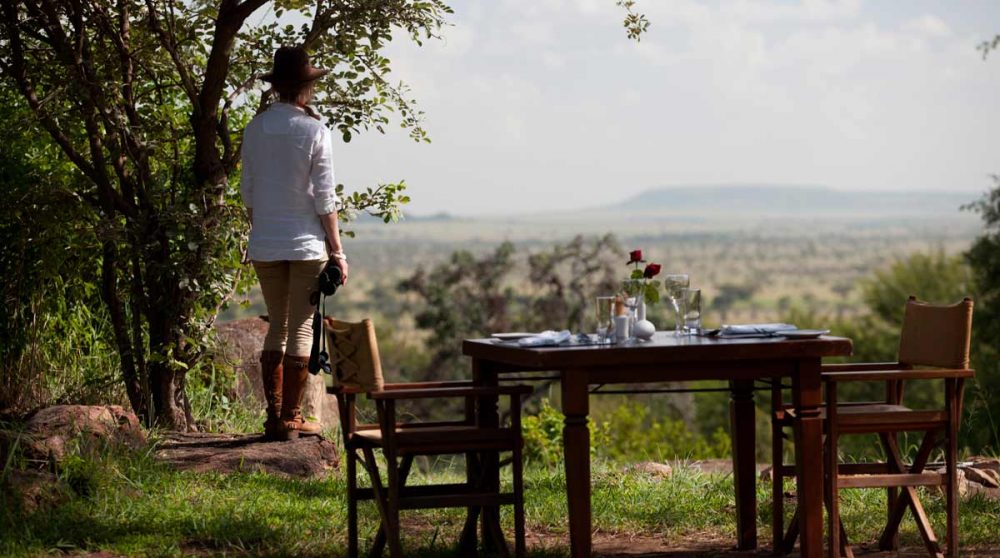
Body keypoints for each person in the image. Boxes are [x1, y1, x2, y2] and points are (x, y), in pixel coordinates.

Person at [240, 46, 349, 441]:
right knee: (302, 329)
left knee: (277, 326)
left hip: (265, 243)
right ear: (306, 86)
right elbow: (325, 198)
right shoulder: (315, 131)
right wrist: (337, 251)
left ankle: (273, 417)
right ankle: (291, 418)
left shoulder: (255, 128)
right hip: (305, 245)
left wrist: (265, 228)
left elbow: (248, 192)